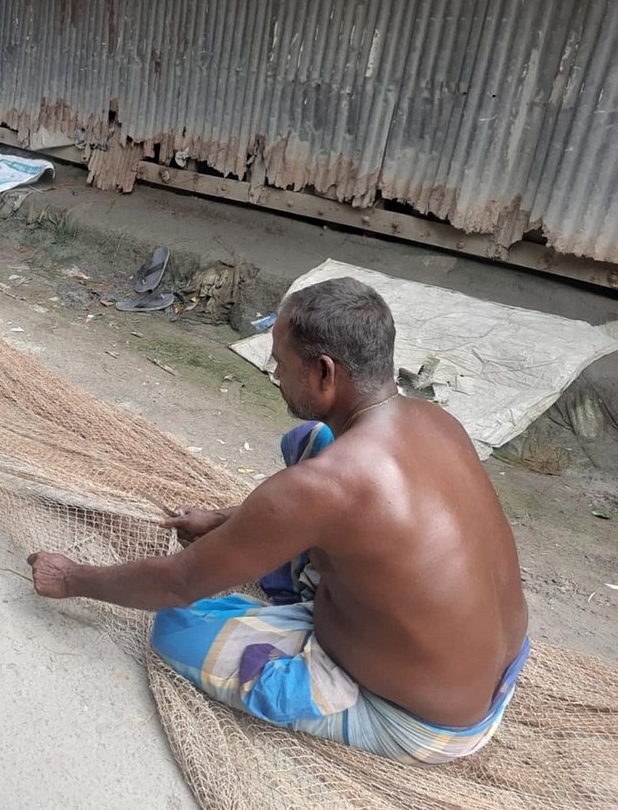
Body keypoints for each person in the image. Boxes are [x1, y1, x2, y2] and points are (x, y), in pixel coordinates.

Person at [26, 277, 529, 766]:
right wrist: (225, 519)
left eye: (281, 362)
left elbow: (177, 585)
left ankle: (326, 680)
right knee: (310, 440)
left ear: (325, 374)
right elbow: (328, 503)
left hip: (426, 721)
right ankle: (287, 574)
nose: (274, 373)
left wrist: (73, 578)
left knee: (177, 629)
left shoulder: (325, 488)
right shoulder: (437, 421)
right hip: (496, 667)